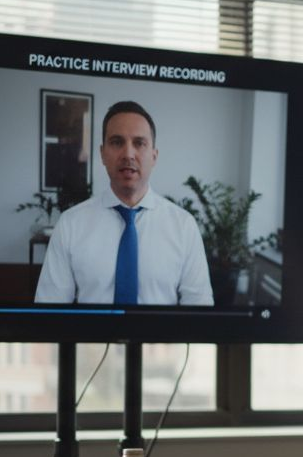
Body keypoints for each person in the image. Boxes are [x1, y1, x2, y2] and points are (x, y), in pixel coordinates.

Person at [35, 101, 214, 305]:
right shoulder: (70, 224)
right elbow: (50, 309)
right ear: (102, 153)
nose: (128, 154)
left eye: (139, 143)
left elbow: (198, 309)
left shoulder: (184, 226)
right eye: (117, 142)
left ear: (154, 156)